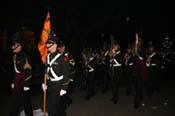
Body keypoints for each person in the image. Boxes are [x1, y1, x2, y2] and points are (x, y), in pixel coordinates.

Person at [42, 33, 70, 116]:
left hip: (58, 85)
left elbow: (66, 74)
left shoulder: (62, 58)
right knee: (58, 108)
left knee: (52, 109)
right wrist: (45, 82)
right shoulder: (48, 56)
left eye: (49, 43)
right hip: (50, 85)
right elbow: (46, 71)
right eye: (47, 43)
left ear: (55, 45)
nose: (47, 45)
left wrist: (64, 88)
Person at [10, 34, 33, 116]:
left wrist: (26, 85)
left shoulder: (25, 56)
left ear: (19, 46)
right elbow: (15, 71)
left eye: (14, 45)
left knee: (25, 102)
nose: (12, 47)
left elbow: (28, 71)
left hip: (23, 82)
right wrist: (13, 81)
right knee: (18, 101)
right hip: (17, 81)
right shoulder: (15, 56)